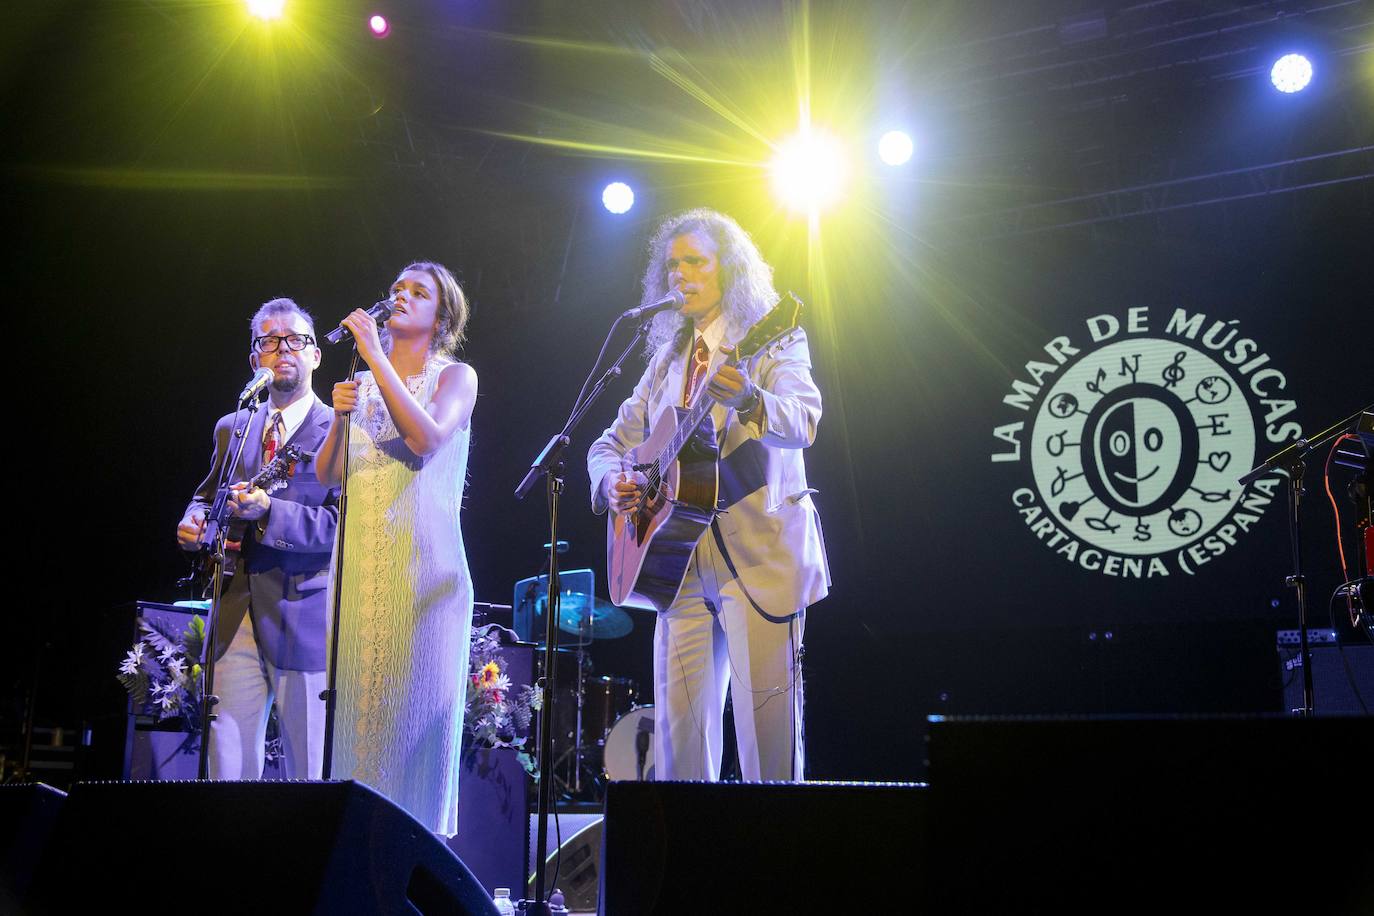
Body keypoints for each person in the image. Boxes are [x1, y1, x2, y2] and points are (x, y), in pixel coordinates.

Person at [587, 208, 829, 782]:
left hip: (760, 557)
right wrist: (613, 483)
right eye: (672, 265)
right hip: (675, 563)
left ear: (731, 269)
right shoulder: (666, 360)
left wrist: (749, 398)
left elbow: (804, 421)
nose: (680, 275)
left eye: (695, 261)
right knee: (678, 756)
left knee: (768, 752)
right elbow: (607, 443)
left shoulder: (774, 337)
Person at [317, 260, 478, 835]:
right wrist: (339, 418)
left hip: (424, 573)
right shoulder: (362, 384)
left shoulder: (455, 376)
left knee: (411, 735)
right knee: (359, 723)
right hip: (362, 570)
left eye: (419, 292)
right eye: (396, 290)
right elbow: (330, 476)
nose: (401, 298)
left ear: (441, 316)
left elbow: (427, 438)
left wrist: (373, 356)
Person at [176, 297, 338, 779]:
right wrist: (194, 522)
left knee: (310, 773)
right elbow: (206, 497)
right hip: (233, 613)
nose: (281, 348)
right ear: (254, 360)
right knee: (226, 768)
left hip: (303, 613)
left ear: (315, 355)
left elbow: (341, 525)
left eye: (296, 340)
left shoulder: (340, 429)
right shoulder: (233, 426)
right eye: (268, 341)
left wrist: (270, 512)